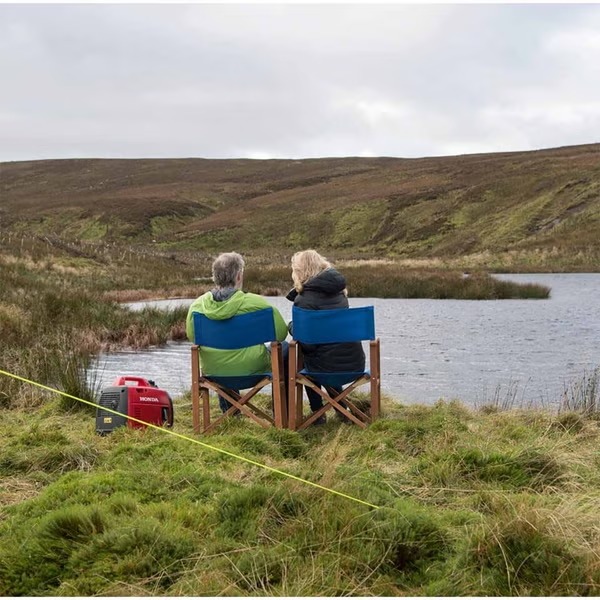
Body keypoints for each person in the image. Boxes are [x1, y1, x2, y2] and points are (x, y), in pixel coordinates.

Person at [186, 252, 288, 414]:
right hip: (253, 369)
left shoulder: (197, 307)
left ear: (214, 277)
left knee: (221, 354)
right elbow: (281, 334)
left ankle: (231, 412)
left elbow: (192, 337)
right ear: (239, 276)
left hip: (215, 371)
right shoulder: (258, 303)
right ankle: (282, 411)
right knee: (285, 347)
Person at [286, 249, 365, 424]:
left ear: (300, 271)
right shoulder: (340, 293)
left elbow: (309, 344)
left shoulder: (303, 300)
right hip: (354, 363)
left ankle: (318, 414)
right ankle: (341, 410)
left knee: (307, 357)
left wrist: (292, 327)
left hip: (324, 368)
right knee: (329, 350)